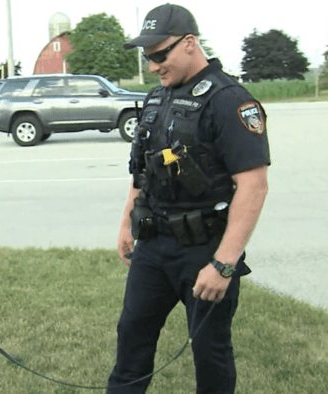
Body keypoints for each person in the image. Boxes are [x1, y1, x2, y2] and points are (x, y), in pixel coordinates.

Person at [107, 4, 270, 393]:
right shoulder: (156, 99)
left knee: (211, 354)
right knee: (131, 341)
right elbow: (142, 171)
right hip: (153, 246)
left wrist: (224, 263)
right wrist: (127, 222)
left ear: (190, 43)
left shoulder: (230, 100)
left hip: (205, 250)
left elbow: (254, 185)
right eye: (148, 57)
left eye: (160, 55)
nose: (153, 65)